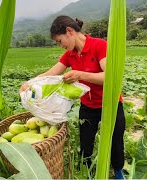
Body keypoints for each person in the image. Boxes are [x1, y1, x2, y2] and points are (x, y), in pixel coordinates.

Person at [20, 15, 126, 179]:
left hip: (111, 104)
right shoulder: (70, 55)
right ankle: (88, 173)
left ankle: (118, 172)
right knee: (86, 145)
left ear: (69, 32)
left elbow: (110, 77)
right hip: (88, 106)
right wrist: (30, 82)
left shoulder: (100, 46)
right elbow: (51, 73)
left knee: (116, 142)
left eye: (59, 41)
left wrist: (80, 75)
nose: (60, 45)